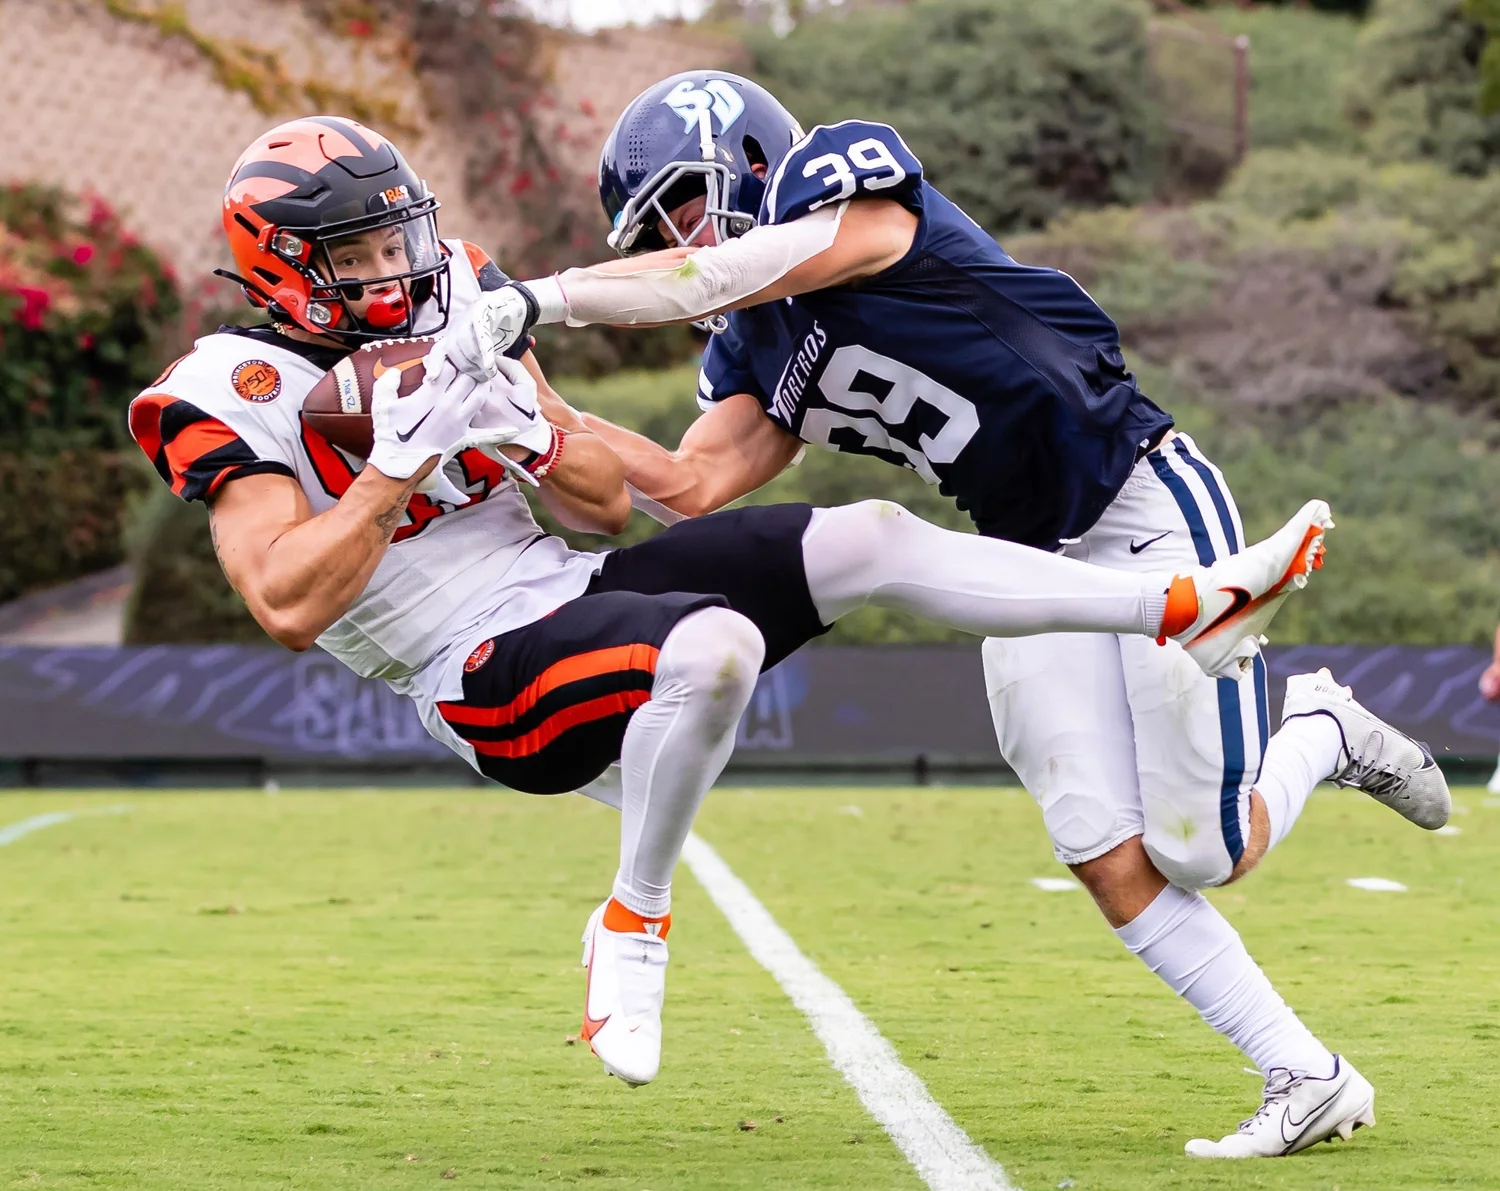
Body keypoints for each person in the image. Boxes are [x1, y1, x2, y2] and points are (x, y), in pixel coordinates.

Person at [126, 116, 1327, 1092]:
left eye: (400, 238)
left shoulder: (463, 296)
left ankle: (1177, 604)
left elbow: (607, 507)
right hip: (474, 665)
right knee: (711, 647)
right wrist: (396, 465)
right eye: (358, 255)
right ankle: (634, 920)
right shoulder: (226, 389)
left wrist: (528, 429)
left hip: (572, 591)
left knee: (869, 537)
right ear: (282, 265)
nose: (397, 269)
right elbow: (285, 602)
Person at [450, 72, 1454, 1155]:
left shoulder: (842, 182)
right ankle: (1305, 1074)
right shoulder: (752, 342)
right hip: (1022, 560)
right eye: (657, 231)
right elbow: (689, 484)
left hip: (1140, 500)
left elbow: (718, 270)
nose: (674, 242)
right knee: (1101, 846)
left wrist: (541, 297)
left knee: (1203, 849)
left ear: (744, 161)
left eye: (678, 209)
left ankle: (1322, 729)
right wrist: (534, 400)